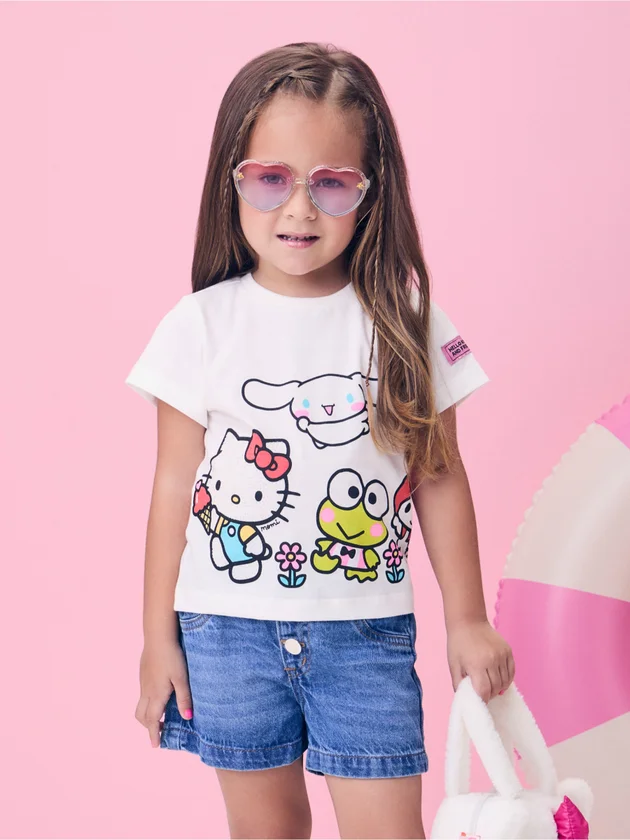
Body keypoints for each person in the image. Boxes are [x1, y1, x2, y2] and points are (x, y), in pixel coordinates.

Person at [125, 41, 515, 840]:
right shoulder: (201, 325)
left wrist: (467, 619)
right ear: (231, 179)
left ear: (371, 191)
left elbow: (440, 475)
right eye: (271, 179)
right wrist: (156, 638)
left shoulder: (405, 324)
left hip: (364, 638)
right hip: (227, 633)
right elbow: (173, 483)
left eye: (331, 183)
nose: (299, 209)